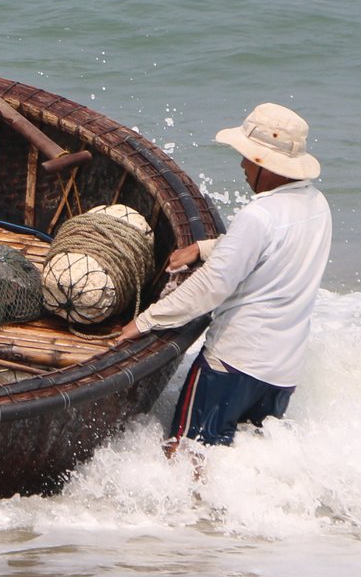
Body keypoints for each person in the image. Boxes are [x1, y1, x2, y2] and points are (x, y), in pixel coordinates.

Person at [115, 102, 331, 453]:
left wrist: (145, 321)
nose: (243, 165)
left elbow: (212, 286)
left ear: (264, 163)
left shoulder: (258, 215)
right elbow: (270, 247)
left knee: (186, 454)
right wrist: (203, 248)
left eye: (248, 157)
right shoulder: (317, 204)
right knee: (243, 461)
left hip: (232, 365)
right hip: (282, 372)